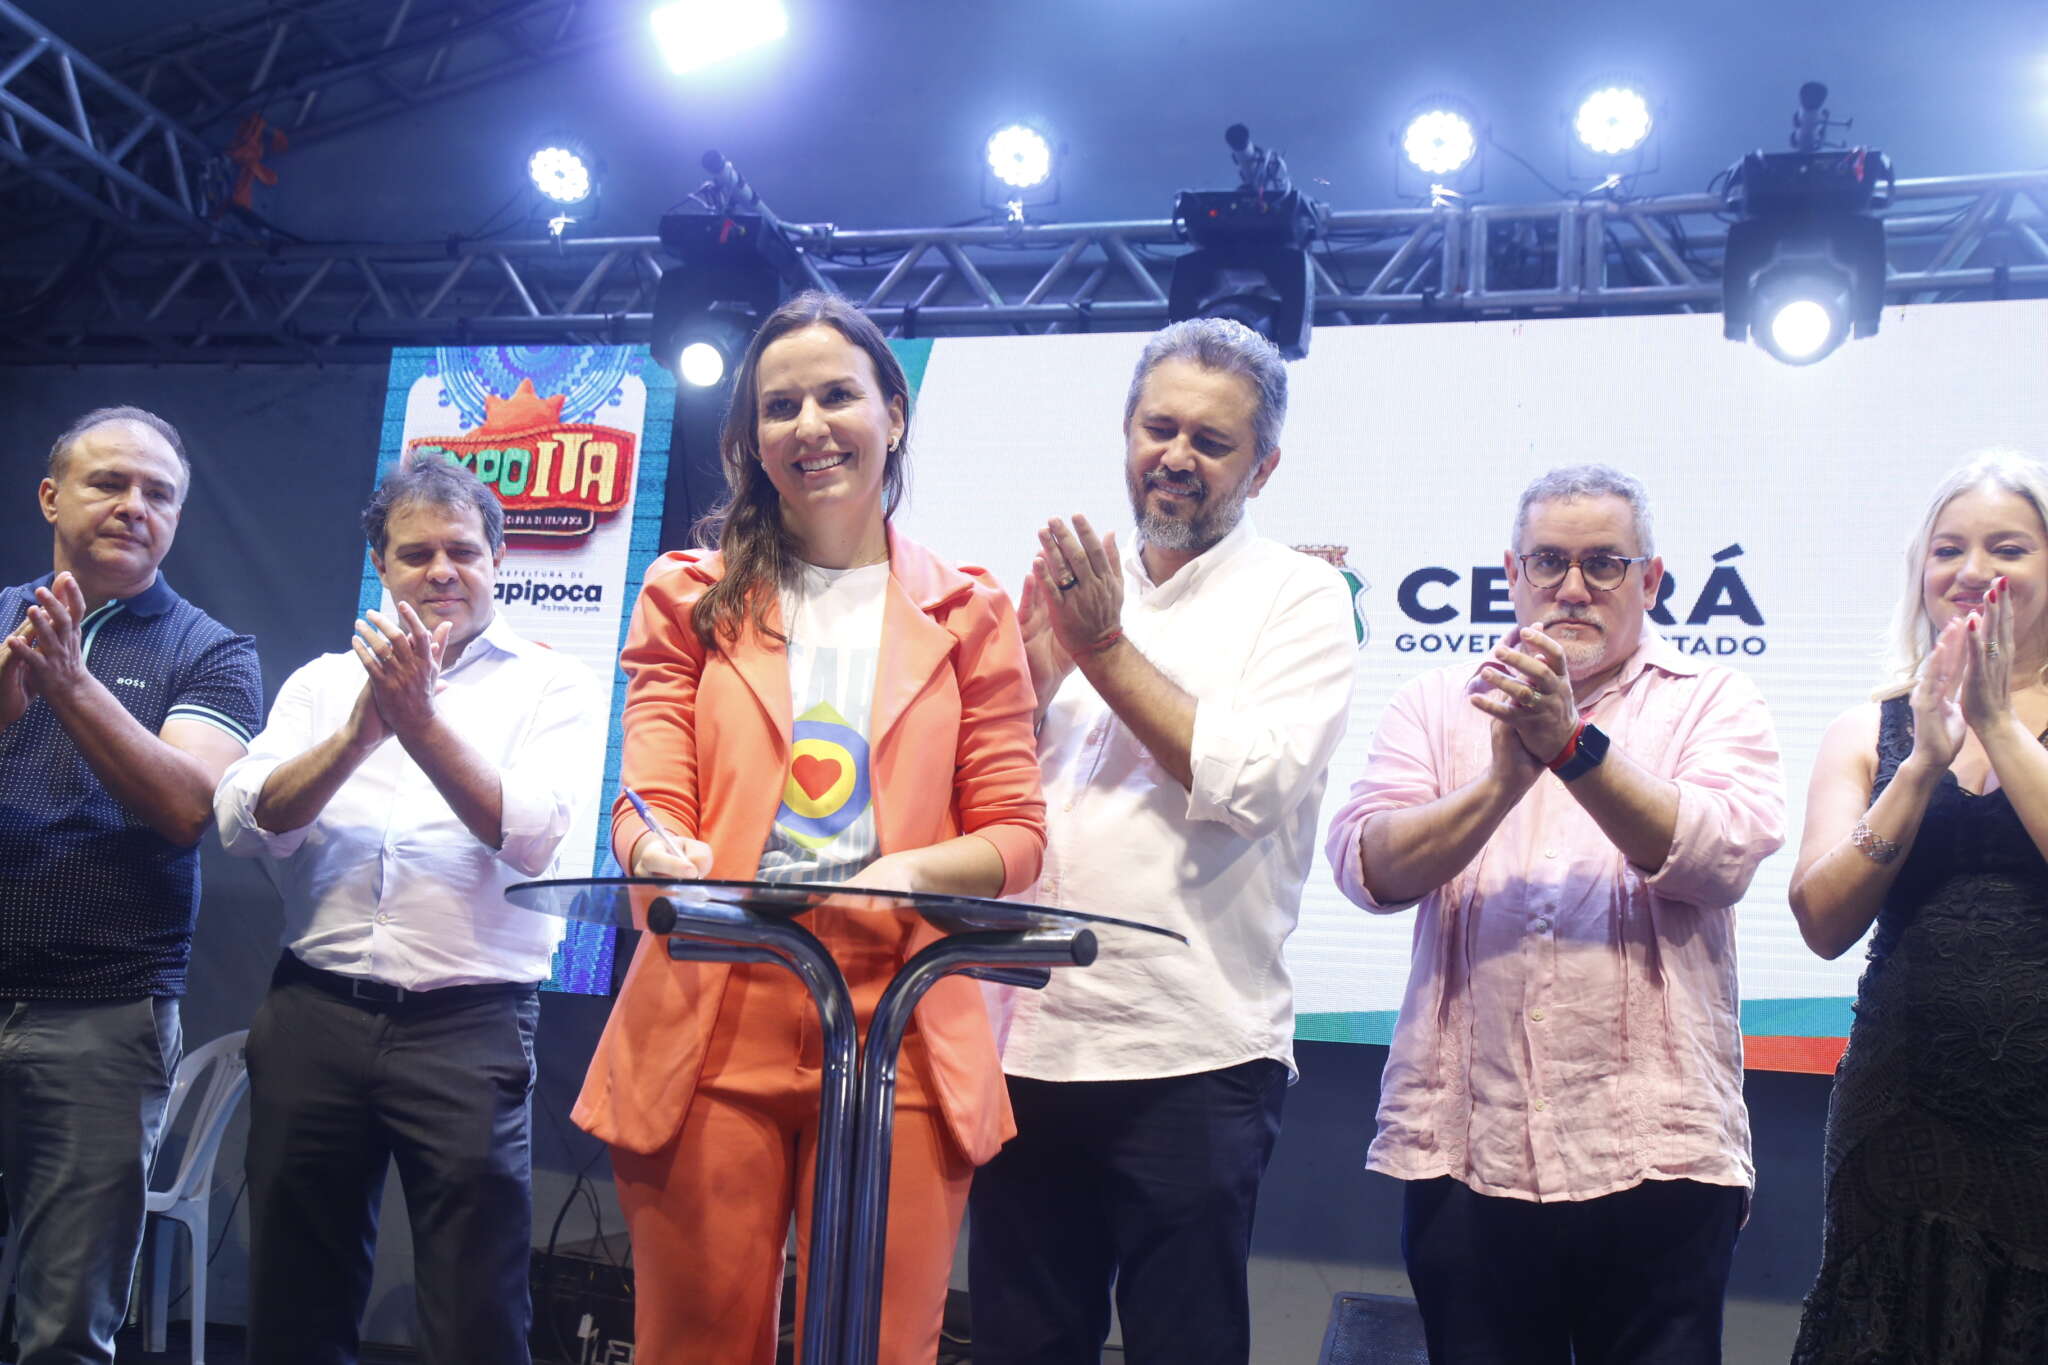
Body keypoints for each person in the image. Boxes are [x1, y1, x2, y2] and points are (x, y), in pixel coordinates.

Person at [573, 290, 1046, 1365]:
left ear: (894, 413)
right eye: (779, 406)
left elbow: (1015, 833)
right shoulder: (684, 595)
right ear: (750, 440)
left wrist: (904, 870)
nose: (810, 425)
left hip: (900, 1032)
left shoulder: (970, 612)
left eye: (837, 395)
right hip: (708, 1022)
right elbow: (645, 802)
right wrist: (655, 851)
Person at [1326, 464, 1785, 1364]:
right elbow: (1365, 864)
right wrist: (1502, 780)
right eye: (1549, 562)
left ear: (1651, 580)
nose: (1573, 586)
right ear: (1512, 573)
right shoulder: (1435, 702)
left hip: (1658, 1148)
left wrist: (1571, 747)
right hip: (1467, 1142)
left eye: (1604, 564)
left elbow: (1722, 855)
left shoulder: (1712, 697)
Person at [967, 317, 1358, 1365]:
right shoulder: (1074, 584)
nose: (1176, 456)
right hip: (1024, 1038)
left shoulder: (1302, 597)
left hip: (1190, 1051)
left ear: (1263, 467)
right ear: (1127, 431)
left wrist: (1100, 649)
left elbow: (1251, 782)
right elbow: (980, 793)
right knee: (1017, 1345)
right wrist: (1027, 682)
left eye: (1211, 441)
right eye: (1159, 428)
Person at [214, 452, 604, 1365]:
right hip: (313, 1012)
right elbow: (242, 820)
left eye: (461, 550)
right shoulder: (322, 684)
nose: (440, 571)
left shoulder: (557, 686)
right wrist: (358, 735)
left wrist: (419, 722)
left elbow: (535, 837)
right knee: (294, 1300)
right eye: (415, 552)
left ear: (499, 557)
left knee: (476, 1313)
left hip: (470, 1025)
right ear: (380, 565)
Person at [0, 407, 262, 1365]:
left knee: (64, 1325)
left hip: (101, 1015)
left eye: (158, 493)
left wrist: (68, 684)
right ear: (51, 497)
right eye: (109, 482)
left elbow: (189, 806)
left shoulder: (213, 650)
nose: (133, 505)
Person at [1789, 450, 2048, 1362]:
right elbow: (1822, 921)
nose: (1973, 571)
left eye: (2007, 547)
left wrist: (1999, 723)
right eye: (1949, 549)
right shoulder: (1868, 729)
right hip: (1900, 1108)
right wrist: (1920, 766)